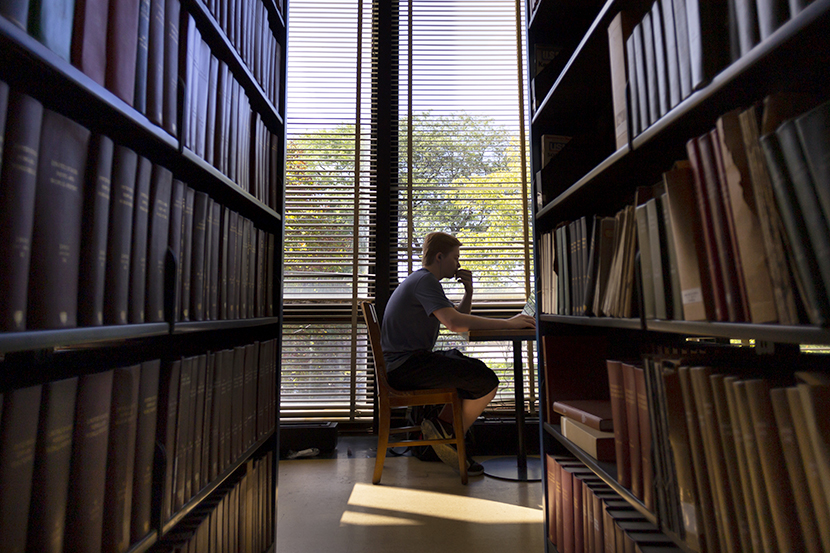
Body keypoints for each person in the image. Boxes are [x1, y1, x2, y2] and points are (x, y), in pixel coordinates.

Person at [380, 231, 536, 475]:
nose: (459, 264)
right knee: (486, 381)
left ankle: (442, 430)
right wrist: (509, 323)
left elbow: (455, 321)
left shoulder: (424, 282)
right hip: (405, 368)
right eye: (455, 258)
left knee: (468, 367)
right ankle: (448, 436)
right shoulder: (426, 281)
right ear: (440, 257)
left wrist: (469, 292)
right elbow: (455, 324)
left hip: (406, 364)